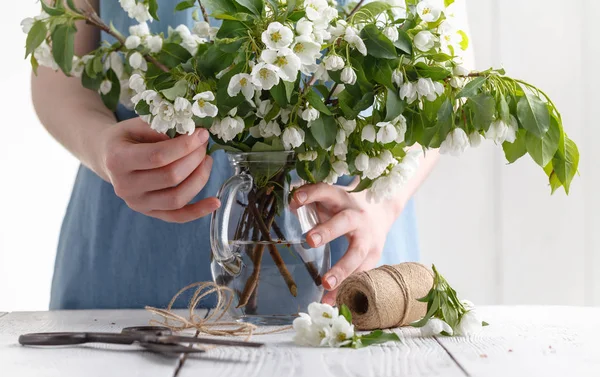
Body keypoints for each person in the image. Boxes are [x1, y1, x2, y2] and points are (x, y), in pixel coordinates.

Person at [32, 0, 439, 310]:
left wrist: (381, 203)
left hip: (346, 253)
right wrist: (102, 147)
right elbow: (57, 69)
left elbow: (443, 80)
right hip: (136, 263)